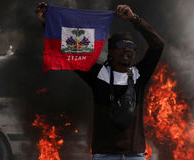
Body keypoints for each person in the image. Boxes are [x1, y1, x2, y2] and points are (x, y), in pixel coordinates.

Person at [36, 2, 164, 160]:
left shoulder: (139, 75)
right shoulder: (98, 74)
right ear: (110, 51)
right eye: (122, 45)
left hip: (134, 155)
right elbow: (68, 51)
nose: (127, 49)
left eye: (131, 46)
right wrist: (47, 23)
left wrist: (134, 19)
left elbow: (158, 45)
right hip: (104, 155)